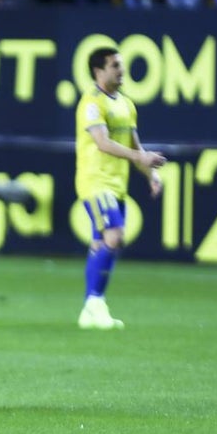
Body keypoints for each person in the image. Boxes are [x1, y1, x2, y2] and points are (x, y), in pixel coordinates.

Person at [75, 47, 165, 330]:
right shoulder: (91, 103)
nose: (121, 70)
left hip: (117, 185)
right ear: (98, 71)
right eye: (115, 65)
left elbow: (133, 146)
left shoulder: (126, 104)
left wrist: (149, 174)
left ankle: (89, 310)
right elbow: (102, 142)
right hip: (95, 181)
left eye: (121, 65)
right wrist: (141, 158)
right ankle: (95, 302)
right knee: (115, 236)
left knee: (102, 242)